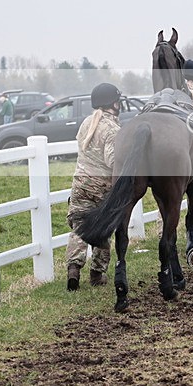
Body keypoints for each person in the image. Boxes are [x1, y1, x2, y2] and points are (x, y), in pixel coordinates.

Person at [65, 83, 122, 291]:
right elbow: (113, 161)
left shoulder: (86, 123)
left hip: (80, 184)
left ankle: (73, 268)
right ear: (113, 104)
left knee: (79, 226)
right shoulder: (113, 129)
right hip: (101, 187)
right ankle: (97, 274)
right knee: (102, 229)